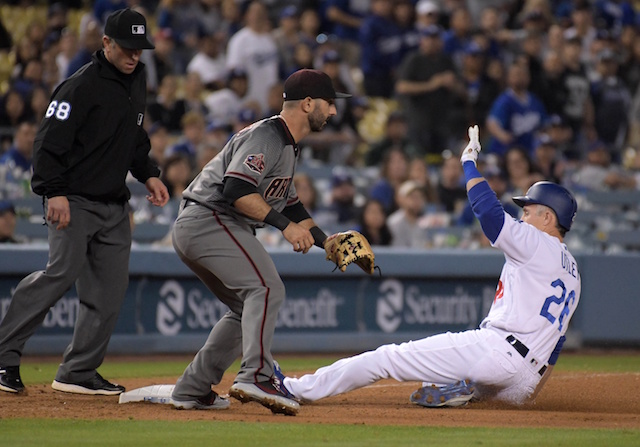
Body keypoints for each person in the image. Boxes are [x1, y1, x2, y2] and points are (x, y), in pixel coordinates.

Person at [276, 125, 581, 409]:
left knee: (387, 358)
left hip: (497, 351)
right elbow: (556, 345)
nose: (523, 217)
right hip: (528, 375)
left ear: (548, 218)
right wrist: (527, 392)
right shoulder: (574, 273)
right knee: (444, 379)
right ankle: (461, 387)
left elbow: (489, 212)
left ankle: (296, 388)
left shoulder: (537, 241)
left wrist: (469, 164)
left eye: (528, 211)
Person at [0, 9, 170, 396]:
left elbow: (133, 137)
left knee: (110, 290)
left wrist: (149, 172)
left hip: (113, 205)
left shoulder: (137, 78)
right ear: (106, 43)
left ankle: (77, 371)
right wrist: (53, 191)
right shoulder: (80, 86)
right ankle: (3, 355)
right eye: (126, 47)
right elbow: (46, 144)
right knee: (60, 273)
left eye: (139, 49)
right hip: (72, 199)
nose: (133, 56)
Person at [168, 69, 351, 415]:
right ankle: (257, 375)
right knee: (267, 289)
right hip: (210, 218)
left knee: (246, 307)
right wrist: (284, 228)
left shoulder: (286, 145)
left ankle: (192, 388)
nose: (333, 112)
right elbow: (236, 189)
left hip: (207, 224)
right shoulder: (268, 135)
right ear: (308, 103)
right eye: (329, 104)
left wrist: (325, 242)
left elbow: (292, 204)